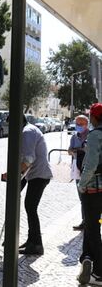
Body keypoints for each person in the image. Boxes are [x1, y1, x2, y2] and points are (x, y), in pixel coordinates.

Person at [2, 115, 52, 255]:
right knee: (28, 206)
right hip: (33, 174)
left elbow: (29, 159)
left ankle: (36, 244)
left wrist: (13, 174)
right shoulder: (27, 130)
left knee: (30, 206)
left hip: (39, 174)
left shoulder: (27, 132)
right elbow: (24, 159)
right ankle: (32, 241)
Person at [77, 103, 102, 286]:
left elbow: (91, 164)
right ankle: (87, 258)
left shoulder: (95, 135)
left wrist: (81, 185)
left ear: (93, 118)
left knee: (92, 229)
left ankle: (99, 273)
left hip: (94, 190)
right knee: (92, 228)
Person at [68, 115, 89, 231]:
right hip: (77, 169)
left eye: (80, 124)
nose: (78, 126)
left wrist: (79, 150)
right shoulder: (74, 137)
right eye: (77, 124)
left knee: (89, 197)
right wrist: (76, 151)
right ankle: (84, 221)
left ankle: (91, 221)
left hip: (88, 169)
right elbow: (69, 151)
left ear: (86, 124)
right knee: (81, 197)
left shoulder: (92, 135)